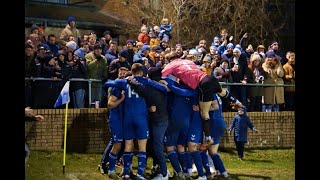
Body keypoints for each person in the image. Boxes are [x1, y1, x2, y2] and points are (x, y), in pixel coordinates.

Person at [161, 58, 242, 148]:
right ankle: (237, 101)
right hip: (210, 78)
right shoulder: (188, 61)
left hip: (202, 84)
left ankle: (208, 139)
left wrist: (167, 83)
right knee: (222, 92)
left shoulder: (170, 66)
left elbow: (162, 76)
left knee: (204, 114)